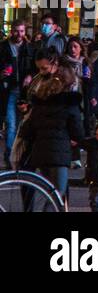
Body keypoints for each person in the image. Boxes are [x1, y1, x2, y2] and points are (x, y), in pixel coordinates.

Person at [20, 56, 83, 205]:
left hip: (40, 152)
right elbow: (78, 132)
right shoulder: (70, 103)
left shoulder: (40, 103)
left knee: (49, 189)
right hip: (60, 154)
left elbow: (28, 130)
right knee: (57, 195)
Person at [1, 22, 32, 168]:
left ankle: (19, 154)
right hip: (9, 90)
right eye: (16, 31)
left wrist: (30, 76)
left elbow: (34, 66)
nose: (19, 34)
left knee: (22, 124)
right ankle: (10, 155)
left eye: (21, 31)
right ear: (11, 31)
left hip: (25, 91)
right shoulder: (3, 47)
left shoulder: (29, 48)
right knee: (11, 124)